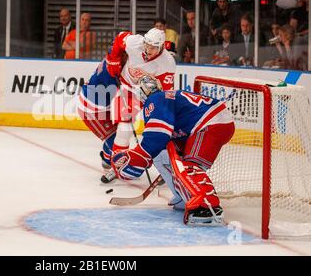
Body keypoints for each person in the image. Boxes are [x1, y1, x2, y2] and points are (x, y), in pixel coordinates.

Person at [111, 75, 235, 225]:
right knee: (163, 153)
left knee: (189, 165)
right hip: (210, 121)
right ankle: (185, 195)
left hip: (212, 123)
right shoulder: (164, 97)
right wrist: (146, 155)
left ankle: (208, 207)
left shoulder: (156, 100)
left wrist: (139, 156)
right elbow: (161, 139)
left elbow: (158, 134)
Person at [78, 28, 176, 181]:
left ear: (162, 47)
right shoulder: (134, 43)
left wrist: (152, 100)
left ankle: (166, 167)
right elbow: (119, 39)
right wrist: (113, 60)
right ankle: (117, 166)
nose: (148, 50)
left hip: (148, 97)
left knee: (159, 129)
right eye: (147, 45)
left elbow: (166, 92)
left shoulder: (167, 63)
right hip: (127, 90)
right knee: (124, 128)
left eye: (153, 47)